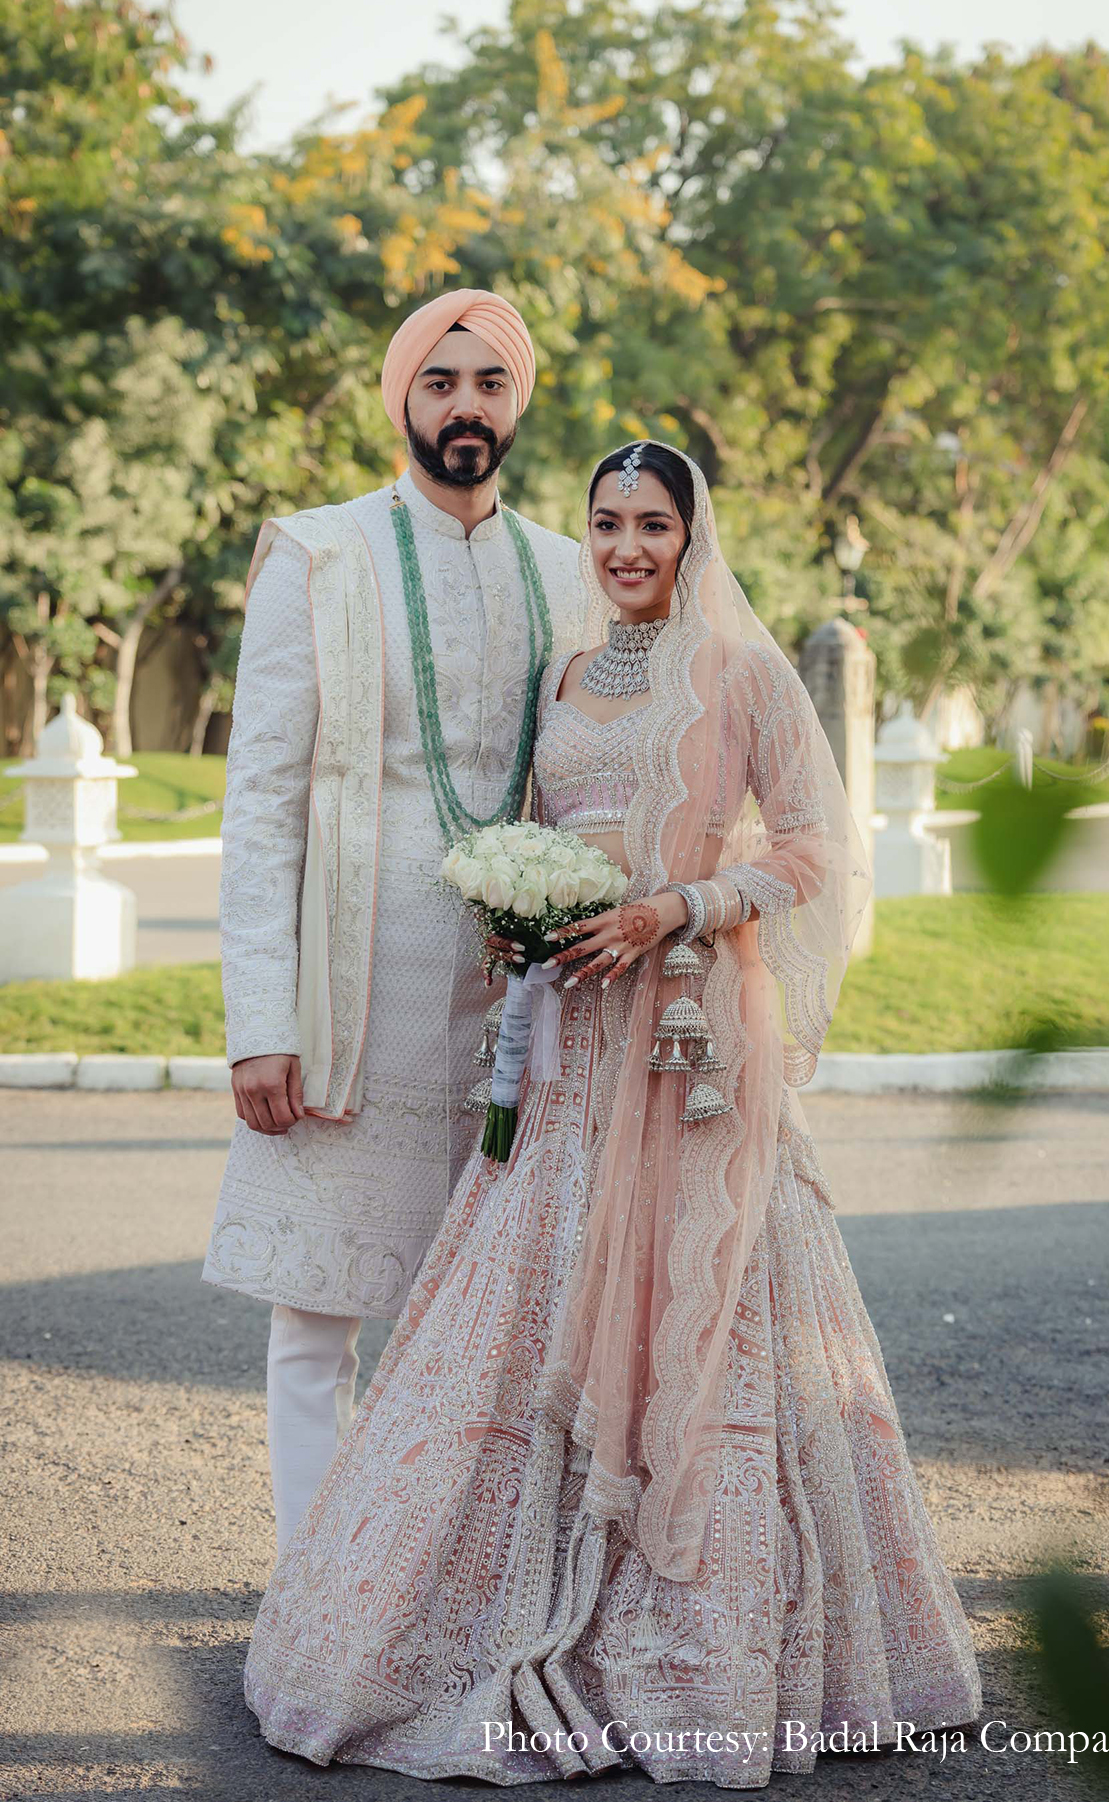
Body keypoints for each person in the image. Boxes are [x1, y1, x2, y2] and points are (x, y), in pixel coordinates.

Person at [240, 442, 983, 1785]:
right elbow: (538, 825)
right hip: (568, 1053)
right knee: (517, 1318)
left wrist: (678, 906)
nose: (627, 546)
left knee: (708, 1328)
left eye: (652, 523)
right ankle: (482, 1629)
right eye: (606, 523)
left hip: (690, 1049)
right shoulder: (566, 677)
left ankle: (697, 1652)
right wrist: (514, 917)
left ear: (694, 536)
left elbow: (815, 847)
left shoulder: (744, 675)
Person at [200, 289, 586, 1557]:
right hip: (347, 992)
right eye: (440, 382)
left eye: (487, 383)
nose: (464, 406)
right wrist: (261, 1021)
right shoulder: (319, 554)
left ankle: (438, 1586)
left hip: (512, 1004)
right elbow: (259, 802)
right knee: (318, 1317)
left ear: (515, 402)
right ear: (402, 400)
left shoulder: (564, 570)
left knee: (488, 1315)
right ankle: (318, 1586)